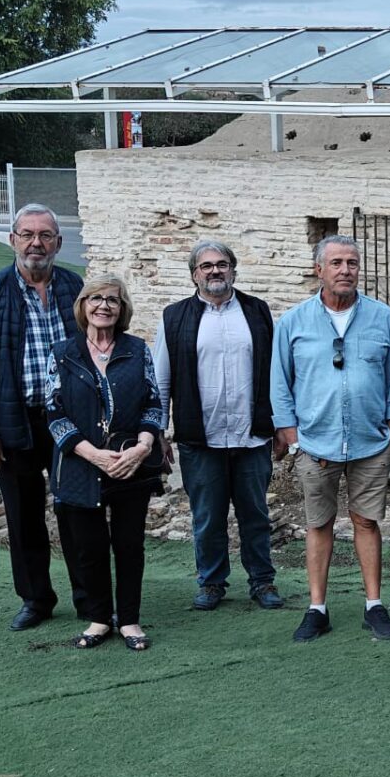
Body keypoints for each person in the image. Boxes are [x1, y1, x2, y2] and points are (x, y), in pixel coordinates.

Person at [271, 234, 390, 643]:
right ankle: (317, 608)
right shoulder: (293, 322)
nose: (345, 270)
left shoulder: (382, 318)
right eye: (336, 263)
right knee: (319, 523)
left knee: (367, 521)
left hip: (370, 442)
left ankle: (373, 605)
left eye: (351, 262)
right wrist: (294, 440)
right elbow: (280, 384)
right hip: (315, 442)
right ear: (319, 270)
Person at [0, 203, 85, 630]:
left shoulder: (74, 287)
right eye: (27, 234)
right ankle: (36, 599)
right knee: (23, 514)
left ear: (58, 243)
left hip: (68, 420)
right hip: (15, 420)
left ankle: (90, 595)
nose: (36, 243)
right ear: (12, 240)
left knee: (77, 508)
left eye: (45, 235)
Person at [151, 240, 282, 613]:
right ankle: (211, 582)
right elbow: (161, 378)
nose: (215, 271)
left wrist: (281, 424)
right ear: (194, 274)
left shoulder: (258, 312)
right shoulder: (174, 317)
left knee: (255, 513)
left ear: (233, 270)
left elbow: (275, 373)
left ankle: (262, 580)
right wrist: (160, 431)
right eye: (206, 266)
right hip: (199, 436)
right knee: (207, 516)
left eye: (222, 264)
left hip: (252, 433)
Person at [46, 275, 164, 651]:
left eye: (112, 300)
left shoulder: (137, 349)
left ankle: (129, 620)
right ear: (83, 306)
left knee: (129, 545)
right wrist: (90, 453)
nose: (104, 306)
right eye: (95, 299)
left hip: (130, 463)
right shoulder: (62, 352)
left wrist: (144, 446)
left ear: (122, 308)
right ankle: (99, 619)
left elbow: (153, 403)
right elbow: (53, 412)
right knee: (89, 547)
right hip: (82, 465)